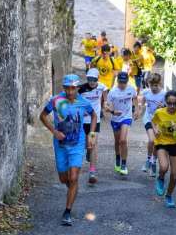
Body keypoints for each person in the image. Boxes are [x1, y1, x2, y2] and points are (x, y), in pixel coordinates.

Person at [39, 74, 97, 226]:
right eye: (67, 88)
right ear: (64, 88)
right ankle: (72, 188)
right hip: (61, 145)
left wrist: (91, 134)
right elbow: (43, 116)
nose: (70, 92)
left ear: (78, 88)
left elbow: (94, 116)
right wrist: (54, 131)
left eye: (73, 88)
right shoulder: (56, 100)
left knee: (73, 177)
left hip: (78, 143)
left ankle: (67, 211)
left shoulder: (84, 102)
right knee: (64, 179)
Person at [105, 72, 139, 175]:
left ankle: (124, 165)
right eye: (120, 82)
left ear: (127, 81)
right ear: (117, 81)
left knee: (123, 140)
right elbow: (107, 107)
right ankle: (118, 159)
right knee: (117, 141)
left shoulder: (131, 89)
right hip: (115, 119)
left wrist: (137, 109)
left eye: (124, 82)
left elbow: (135, 98)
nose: (122, 84)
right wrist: (112, 111)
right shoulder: (112, 92)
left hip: (126, 117)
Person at [79, 68, 108, 185]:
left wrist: (106, 106)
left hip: (95, 121)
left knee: (93, 144)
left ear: (98, 79)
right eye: (89, 79)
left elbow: (105, 99)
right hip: (82, 121)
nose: (91, 81)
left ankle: (92, 173)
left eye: (94, 79)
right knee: (88, 145)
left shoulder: (102, 87)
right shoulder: (81, 89)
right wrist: (81, 110)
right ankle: (88, 151)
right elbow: (74, 100)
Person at [138, 73, 165, 176]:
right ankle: (148, 160)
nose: (153, 87)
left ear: (159, 84)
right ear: (148, 84)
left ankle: (153, 162)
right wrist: (139, 111)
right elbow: (142, 102)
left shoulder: (164, 94)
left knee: (156, 142)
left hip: (159, 121)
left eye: (156, 85)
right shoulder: (146, 92)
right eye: (151, 85)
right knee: (151, 140)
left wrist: (163, 106)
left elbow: (169, 108)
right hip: (148, 119)